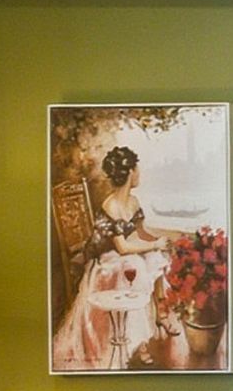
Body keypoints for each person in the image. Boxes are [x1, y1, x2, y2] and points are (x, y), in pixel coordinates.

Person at [51, 141, 168, 370]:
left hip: (121, 257)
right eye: (137, 169)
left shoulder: (133, 201)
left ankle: (160, 316)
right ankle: (136, 344)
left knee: (156, 258)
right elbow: (122, 247)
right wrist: (153, 245)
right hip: (104, 262)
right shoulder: (111, 205)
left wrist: (157, 242)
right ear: (130, 172)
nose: (140, 174)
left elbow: (140, 233)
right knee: (135, 265)